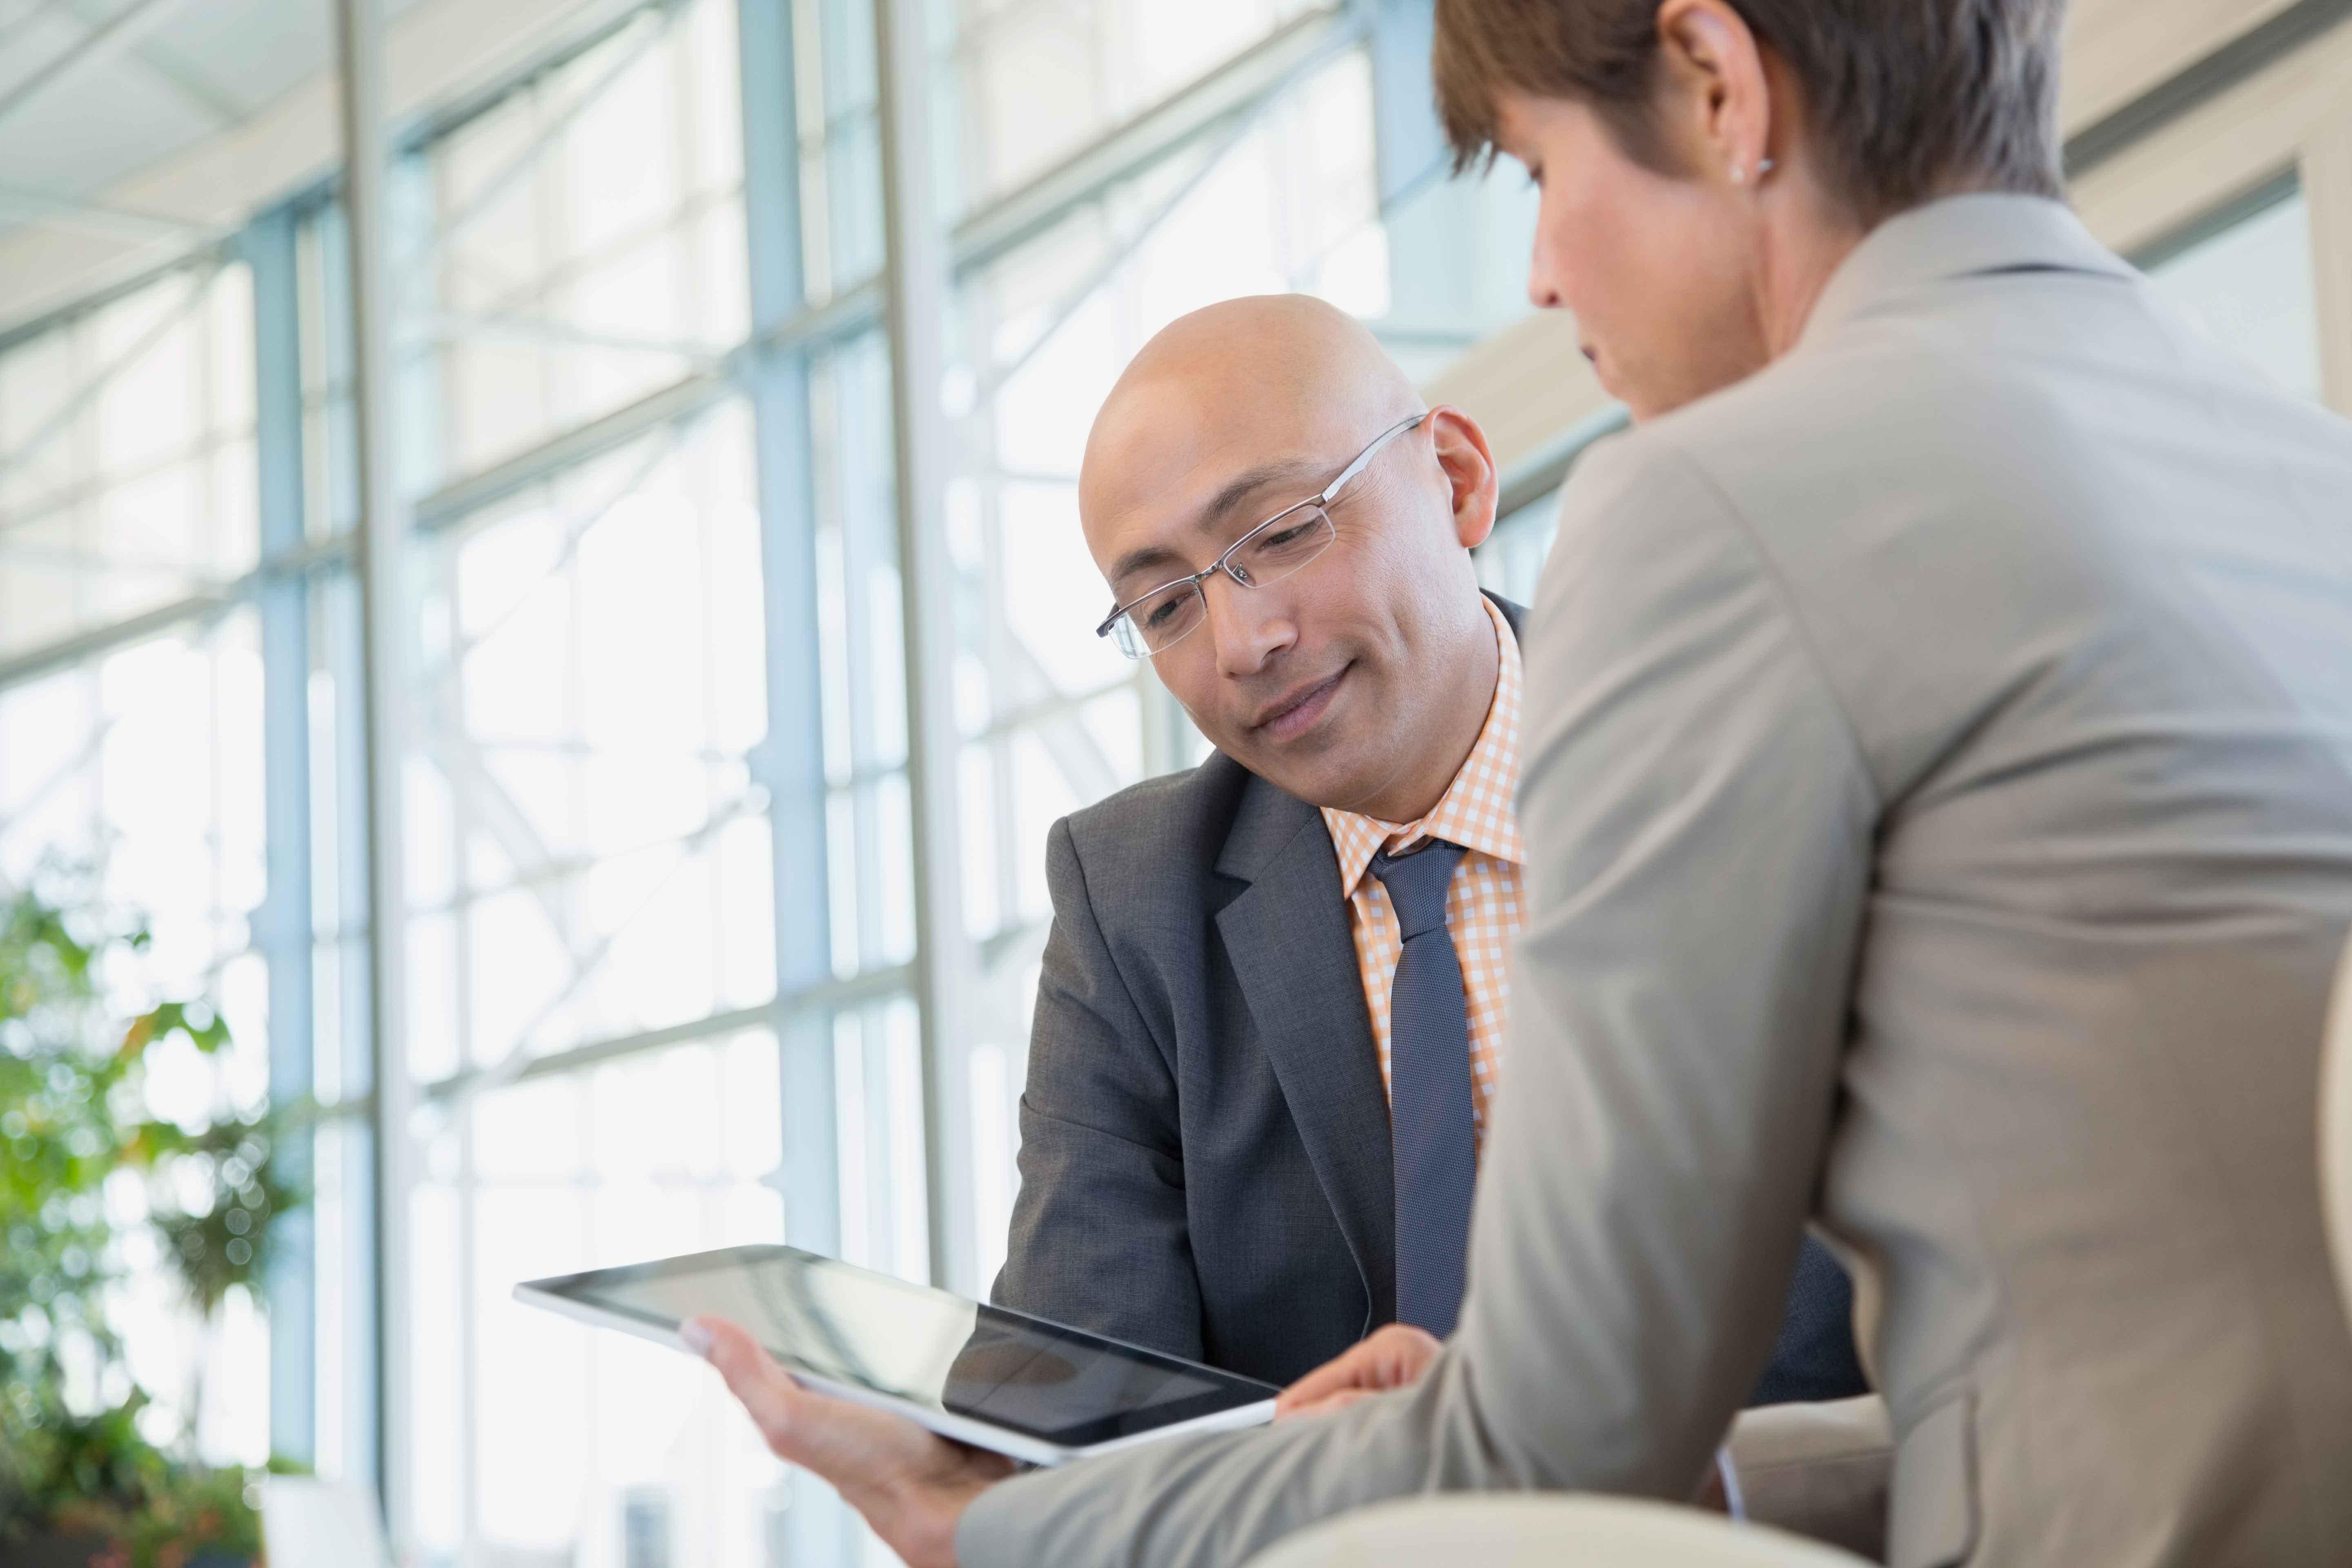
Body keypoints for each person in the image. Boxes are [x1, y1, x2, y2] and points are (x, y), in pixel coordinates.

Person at [685, 0, 2352, 1563]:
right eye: (1167, 603)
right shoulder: (2302, 471)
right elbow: (2064, 1354)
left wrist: (996, 1527)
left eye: (1545, 174)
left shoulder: (1715, 515)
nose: (1545, 277)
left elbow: (1562, 1431)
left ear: (1719, 86)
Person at [991, 292, 1863, 1405]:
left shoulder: (1771, 758)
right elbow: (1072, 1395)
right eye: (1165, 606)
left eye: (1283, 532)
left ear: (1456, 480)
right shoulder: (1132, 907)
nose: (1244, 643)